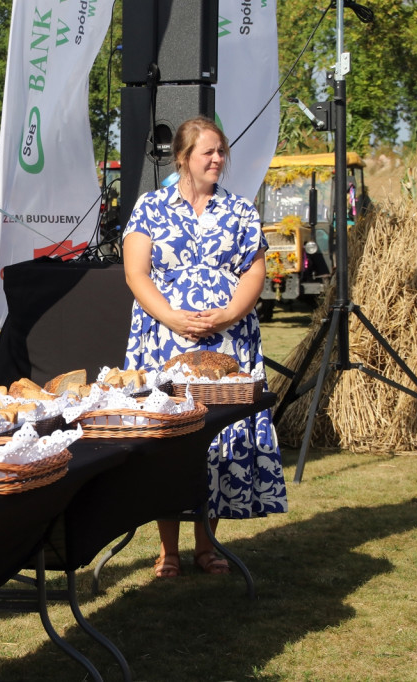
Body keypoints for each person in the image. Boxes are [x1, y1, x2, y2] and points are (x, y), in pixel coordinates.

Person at [122, 116, 288, 578]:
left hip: (228, 341)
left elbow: (255, 269)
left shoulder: (240, 210)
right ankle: (168, 549)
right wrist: (173, 316)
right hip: (162, 339)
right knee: (172, 438)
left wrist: (231, 313)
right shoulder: (151, 208)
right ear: (183, 158)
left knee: (220, 436)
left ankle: (207, 544)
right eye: (207, 152)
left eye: (221, 152)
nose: (218, 159)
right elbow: (137, 273)